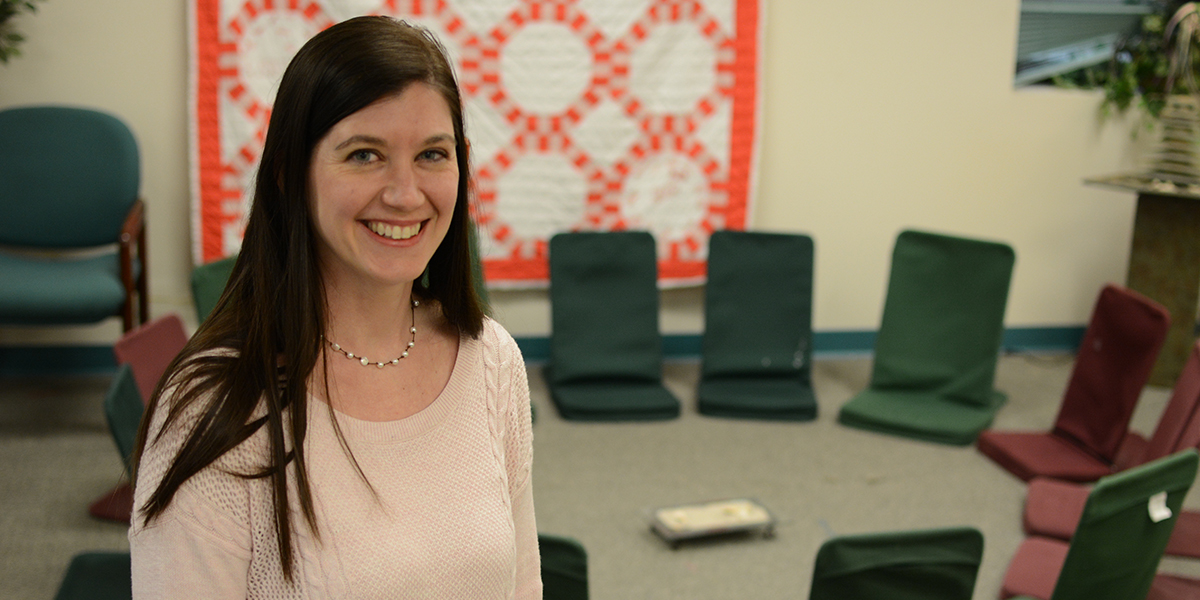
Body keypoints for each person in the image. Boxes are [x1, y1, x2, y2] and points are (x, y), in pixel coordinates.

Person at [129, 16, 541, 599]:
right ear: (288, 176)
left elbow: (522, 585)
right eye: (365, 155)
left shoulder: (492, 359)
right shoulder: (214, 408)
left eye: (431, 154)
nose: (405, 193)